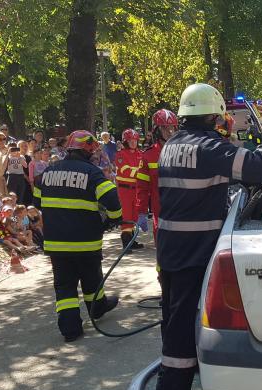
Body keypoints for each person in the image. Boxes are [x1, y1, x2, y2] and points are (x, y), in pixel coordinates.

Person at [148, 83, 262, 390]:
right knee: (180, 331)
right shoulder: (209, 148)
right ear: (212, 116)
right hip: (193, 251)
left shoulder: (172, 145)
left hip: (171, 249)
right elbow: (259, 167)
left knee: (174, 323)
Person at [33, 130, 122, 342]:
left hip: (56, 243)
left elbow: (37, 202)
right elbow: (112, 200)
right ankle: (97, 308)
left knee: (64, 285)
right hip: (86, 241)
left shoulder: (48, 172)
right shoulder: (92, 173)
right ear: (88, 150)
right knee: (91, 278)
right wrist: (112, 220)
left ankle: (70, 329)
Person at [136, 109, 178, 239]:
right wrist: (142, 212)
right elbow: (142, 187)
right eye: (165, 128)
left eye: (172, 127)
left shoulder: (184, 151)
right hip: (160, 215)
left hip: (182, 212)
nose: (170, 132)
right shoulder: (148, 156)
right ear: (157, 130)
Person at [115, 128, 144, 252]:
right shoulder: (120, 155)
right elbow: (125, 170)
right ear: (125, 141)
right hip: (125, 190)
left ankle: (132, 240)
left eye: (135, 140)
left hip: (136, 189)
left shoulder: (140, 154)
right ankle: (126, 242)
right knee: (127, 215)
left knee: (135, 215)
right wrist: (141, 172)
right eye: (130, 140)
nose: (133, 142)